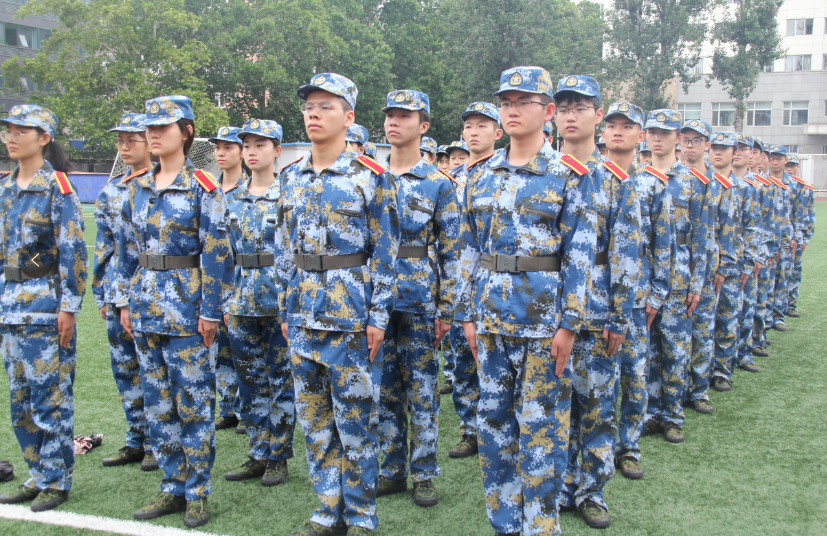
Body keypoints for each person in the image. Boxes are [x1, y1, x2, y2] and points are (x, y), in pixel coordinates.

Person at [457, 65, 596, 536]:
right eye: (506, 103)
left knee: (542, 431)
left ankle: (541, 526)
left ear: (549, 110)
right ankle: (505, 524)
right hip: (490, 321)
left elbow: (579, 255)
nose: (512, 110)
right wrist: (466, 314)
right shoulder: (480, 175)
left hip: (543, 323)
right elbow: (468, 249)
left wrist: (569, 324)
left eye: (524, 102)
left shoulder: (569, 175)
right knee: (494, 425)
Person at [278, 73, 399, 536]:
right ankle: (328, 510)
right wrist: (286, 309)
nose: (314, 113)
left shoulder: (371, 177)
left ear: (348, 117)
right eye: (309, 105)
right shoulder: (290, 177)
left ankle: (361, 515)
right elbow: (283, 249)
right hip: (302, 316)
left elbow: (386, 253)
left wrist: (378, 317)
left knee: (356, 424)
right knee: (314, 423)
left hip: (350, 318)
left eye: (326, 106)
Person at [118, 95, 232, 528]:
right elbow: (128, 252)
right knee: (157, 404)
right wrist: (125, 301)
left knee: (194, 404)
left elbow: (217, 254)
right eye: (149, 128)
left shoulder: (203, 186)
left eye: (162, 127)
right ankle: (172, 486)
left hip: (187, 311)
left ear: (186, 133)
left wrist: (211, 312)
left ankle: (197, 492)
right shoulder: (137, 187)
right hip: (145, 307)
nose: (152, 135)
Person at [554, 78, 641, 530]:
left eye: (581, 107)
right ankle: (557, 486)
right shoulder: (542, 171)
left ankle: (591, 491)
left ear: (597, 116)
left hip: (598, 308)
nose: (571, 116)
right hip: (548, 311)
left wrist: (620, 316)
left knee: (596, 407)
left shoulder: (614, 180)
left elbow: (626, 252)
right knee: (550, 405)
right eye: (564, 107)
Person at [0, 105, 87, 512]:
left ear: (44, 138)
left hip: (45, 307)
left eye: (23, 131)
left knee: (50, 398)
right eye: (9, 130)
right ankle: (36, 474)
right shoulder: (5, 189)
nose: (12, 137)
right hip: (9, 307)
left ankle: (56, 480)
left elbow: (73, 250)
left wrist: (69, 307)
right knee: (20, 402)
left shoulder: (57, 187)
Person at [375, 89, 459, 508]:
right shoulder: (369, 177)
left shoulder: (439, 183)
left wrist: (447, 309)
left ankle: (424, 471)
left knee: (423, 389)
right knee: (383, 388)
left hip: (420, 298)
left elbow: (452, 251)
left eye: (405, 116)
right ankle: (391, 469)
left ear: (423, 126)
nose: (394, 122)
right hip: (375, 300)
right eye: (390, 114)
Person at [221, 118, 296, 487]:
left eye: (260, 145)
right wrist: (223, 301)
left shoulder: (288, 195)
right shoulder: (230, 197)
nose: (251, 152)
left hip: (277, 301)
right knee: (249, 381)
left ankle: (278, 456)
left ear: (277, 150)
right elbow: (222, 254)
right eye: (247, 145)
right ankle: (257, 452)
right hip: (240, 301)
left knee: (281, 380)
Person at [602, 101, 670, 481]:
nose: (618, 131)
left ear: (640, 136)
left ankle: (628, 447)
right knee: (596, 381)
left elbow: (663, 245)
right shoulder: (587, 178)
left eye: (627, 126)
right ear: (603, 131)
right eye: (612, 124)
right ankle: (595, 449)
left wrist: (657, 295)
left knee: (633, 376)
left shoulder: (651, 185)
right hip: (595, 297)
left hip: (636, 301)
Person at [94, 113, 158, 472]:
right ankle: (136, 438)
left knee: (153, 371)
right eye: (120, 140)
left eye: (131, 140)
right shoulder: (110, 191)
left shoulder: (159, 187)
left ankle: (156, 443)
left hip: (150, 293)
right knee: (125, 370)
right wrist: (102, 295)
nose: (124, 147)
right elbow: (103, 248)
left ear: (150, 142)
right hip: (116, 292)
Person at [642, 110, 709, 444]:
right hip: (645, 273)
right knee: (647, 350)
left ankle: (671, 416)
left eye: (665, 133)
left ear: (678, 138)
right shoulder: (637, 178)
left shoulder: (693, 181)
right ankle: (650, 413)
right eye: (652, 132)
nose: (658, 138)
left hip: (679, 275)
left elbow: (702, 236)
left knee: (674, 348)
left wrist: (697, 283)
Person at [444, 101, 503, 460]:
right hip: (458, 279)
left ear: (498, 132)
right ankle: (470, 428)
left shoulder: (503, 173)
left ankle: (498, 426)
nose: (474, 132)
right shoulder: (450, 179)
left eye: (483, 125)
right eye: (469, 126)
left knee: (494, 360)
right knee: (463, 358)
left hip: (493, 281)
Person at [712, 133, 762, 391]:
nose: (718, 152)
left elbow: (752, 226)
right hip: (706, 264)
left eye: (725, 148)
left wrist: (749, 262)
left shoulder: (745, 188)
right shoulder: (701, 183)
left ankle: (723, 370)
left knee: (728, 317)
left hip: (735, 263)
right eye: (715, 147)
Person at [678, 120, 722, 416]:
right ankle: (677, 389)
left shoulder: (717, 183)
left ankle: (700, 390)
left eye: (697, 140)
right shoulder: (672, 178)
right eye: (686, 139)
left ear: (707, 144)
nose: (690, 145)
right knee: (677, 334)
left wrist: (723, 266)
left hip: (706, 266)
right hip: (677, 266)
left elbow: (726, 228)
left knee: (703, 331)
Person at [209, 126, 247, 433]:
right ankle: (228, 407)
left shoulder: (250, 190)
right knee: (218, 349)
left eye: (228, 147)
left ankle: (248, 409)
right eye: (218, 147)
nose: (221, 153)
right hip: (213, 280)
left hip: (241, 278)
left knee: (242, 348)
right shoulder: (208, 191)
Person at [787, 154, 815, 318]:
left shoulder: (804, 187)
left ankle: (791, 304)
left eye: (792, 165)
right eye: (787, 165)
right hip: (782, 237)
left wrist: (806, 238)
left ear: (797, 167)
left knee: (794, 271)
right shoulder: (774, 184)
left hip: (797, 236)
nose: (789, 168)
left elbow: (809, 214)